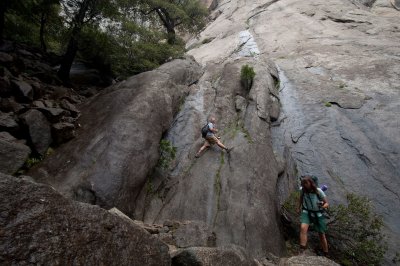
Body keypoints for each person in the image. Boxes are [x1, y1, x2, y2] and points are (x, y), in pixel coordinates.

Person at [297, 176, 329, 256]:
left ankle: (325, 252)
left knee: (321, 234)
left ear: (311, 183)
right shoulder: (302, 190)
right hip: (306, 211)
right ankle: (302, 249)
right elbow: (300, 199)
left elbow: (326, 203)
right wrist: (298, 207)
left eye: (306, 183)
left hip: (317, 213)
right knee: (303, 228)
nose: (304, 185)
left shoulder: (318, 191)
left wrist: (322, 206)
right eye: (303, 183)